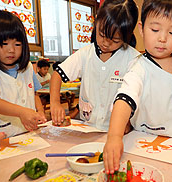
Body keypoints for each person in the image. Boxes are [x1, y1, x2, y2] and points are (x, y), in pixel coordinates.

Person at [103, 0, 172, 174]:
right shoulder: (139, 67)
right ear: (141, 28)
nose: (162, 38)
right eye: (154, 30)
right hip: (146, 146)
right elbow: (125, 98)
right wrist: (114, 137)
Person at [50, 0, 140, 130]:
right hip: (88, 128)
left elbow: (139, 98)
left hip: (117, 130)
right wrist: (55, 103)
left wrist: (128, 124)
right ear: (96, 22)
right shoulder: (85, 54)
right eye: (102, 35)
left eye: (115, 40)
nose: (106, 43)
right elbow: (57, 75)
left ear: (127, 35)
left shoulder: (133, 59)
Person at [0, 10, 46, 138]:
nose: (11, 50)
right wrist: (21, 112)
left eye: (17, 44)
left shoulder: (28, 68)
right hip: (3, 138)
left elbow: (34, 93)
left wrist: (40, 111)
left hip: (30, 134)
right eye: (4, 44)